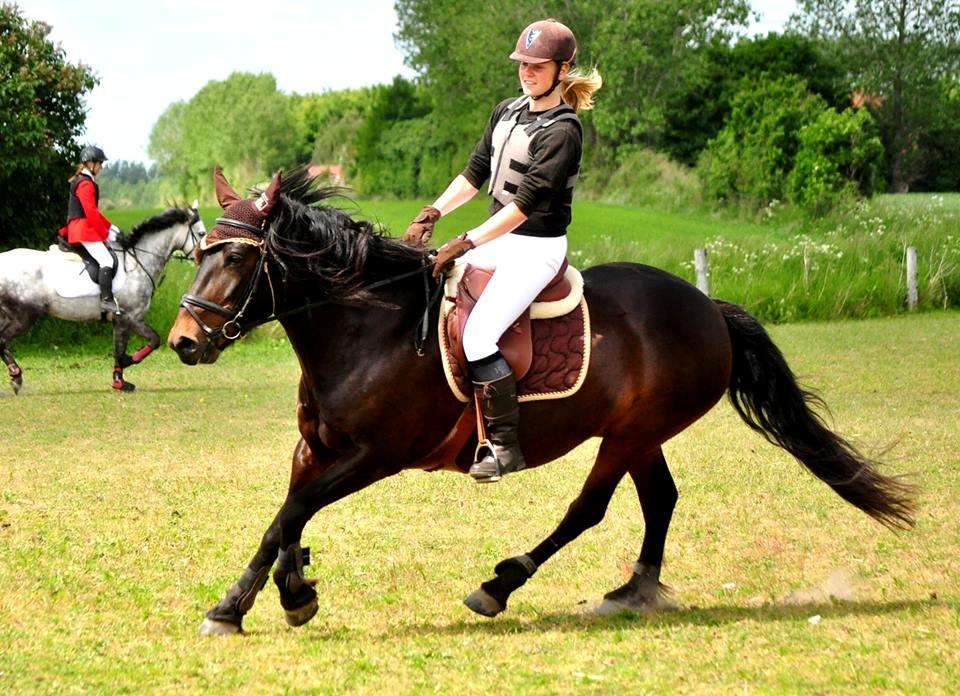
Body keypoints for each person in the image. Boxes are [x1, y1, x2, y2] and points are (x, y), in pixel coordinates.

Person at [403, 18, 602, 483]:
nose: (527, 72)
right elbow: (474, 175)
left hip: (535, 248)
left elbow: (524, 204)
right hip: (497, 237)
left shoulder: (564, 131)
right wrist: (433, 211)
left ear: (561, 68)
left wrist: (467, 241)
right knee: (430, 287)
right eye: (522, 64)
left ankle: (505, 448)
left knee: (479, 335)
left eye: (537, 66)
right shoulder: (506, 111)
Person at [58, 145, 123, 319]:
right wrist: (104, 233)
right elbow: (91, 213)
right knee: (106, 259)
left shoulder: (84, 180)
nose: (101, 167)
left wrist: (110, 227)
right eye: (100, 164)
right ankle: (106, 299)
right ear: (91, 164)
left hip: (82, 227)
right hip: (82, 229)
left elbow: (95, 212)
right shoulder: (85, 183)